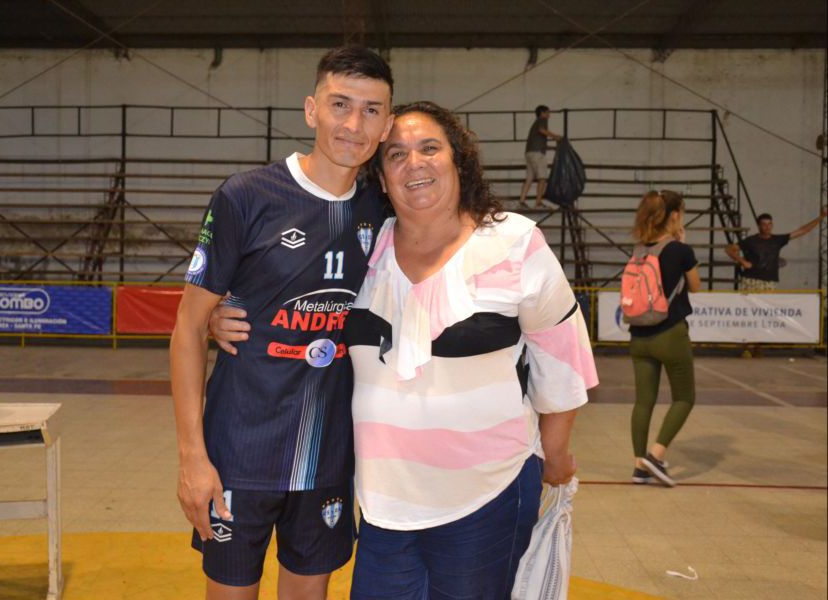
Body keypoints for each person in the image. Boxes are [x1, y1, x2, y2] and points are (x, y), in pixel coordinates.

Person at [345, 101, 596, 598]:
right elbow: (303, 309)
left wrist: (556, 451)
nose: (414, 163)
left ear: (459, 160)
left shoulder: (514, 242)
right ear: (381, 174)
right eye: (396, 154)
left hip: (489, 495)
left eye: (430, 148)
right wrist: (225, 315)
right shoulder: (363, 249)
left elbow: (560, 355)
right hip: (382, 502)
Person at [170, 46, 394, 600]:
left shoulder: (386, 210)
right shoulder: (245, 197)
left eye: (371, 111)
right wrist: (192, 458)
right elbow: (185, 330)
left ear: (387, 124)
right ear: (311, 109)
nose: (353, 124)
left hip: (327, 460)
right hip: (236, 456)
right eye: (341, 104)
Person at [628, 191, 701, 488]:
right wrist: (682, 246)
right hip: (670, 334)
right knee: (684, 397)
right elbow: (694, 287)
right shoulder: (680, 251)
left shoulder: (639, 249)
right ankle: (656, 456)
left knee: (643, 401)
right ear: (673, 216)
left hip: (638, 335)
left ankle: (638, 467)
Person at [725, 208, 828, 291]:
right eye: (764, 224)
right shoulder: (750, 240)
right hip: (750, 280)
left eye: (770, 224)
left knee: (767, 314)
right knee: (749, 313)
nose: (767, 227)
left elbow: (802, 231)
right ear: (759, 226)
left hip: (769, 281)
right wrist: (743, 261)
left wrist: (821, 216)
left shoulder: (777, 240)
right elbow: (729, 249)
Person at [518, 104, 561, 208]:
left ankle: (522, 201)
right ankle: (538, 202)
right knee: (542, 178)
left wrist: (552, 148)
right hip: (537, 153)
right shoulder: (542, 120)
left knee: (529, 178)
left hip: (529, 153)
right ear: (542, 113)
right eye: (548, 112)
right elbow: (542, 130)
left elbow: (540, 141)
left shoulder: (535, 124)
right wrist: (555, 136)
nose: (549, 115)